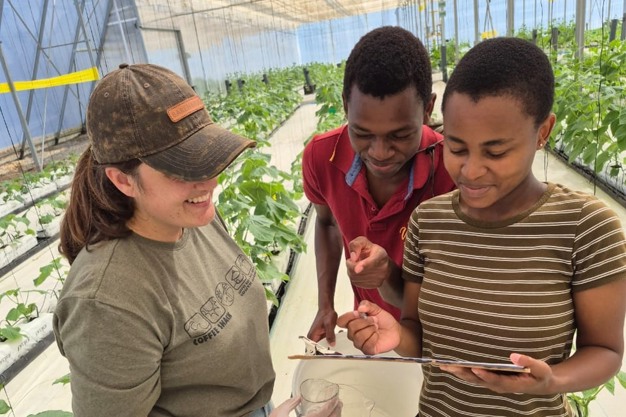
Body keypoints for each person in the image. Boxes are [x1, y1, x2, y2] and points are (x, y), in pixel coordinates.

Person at [337, 37, 626, 417]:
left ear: (543, 131)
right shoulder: (428, 222)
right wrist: (394, 334)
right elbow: (418, 334)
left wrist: (551, 380)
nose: (470, 171)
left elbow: (604, 350)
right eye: (456, 148)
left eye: (496, 151)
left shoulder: (586, 228)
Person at [53, 63, 339, 417]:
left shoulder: (194, 218)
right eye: (181, 169)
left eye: (206, 157)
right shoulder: (107, 302)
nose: (210, 181)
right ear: (123, 180)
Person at [302, 26, 455, 345]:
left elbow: (454, 295)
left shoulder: (454, 170)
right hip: (370, 328)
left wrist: (387, 277)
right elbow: (327, 222)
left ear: (428, 109)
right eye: (362, 133)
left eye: (400, 135)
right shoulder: (321, 157)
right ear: (346, 106)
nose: (380, 153)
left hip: (440, 335)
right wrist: (325, 304)